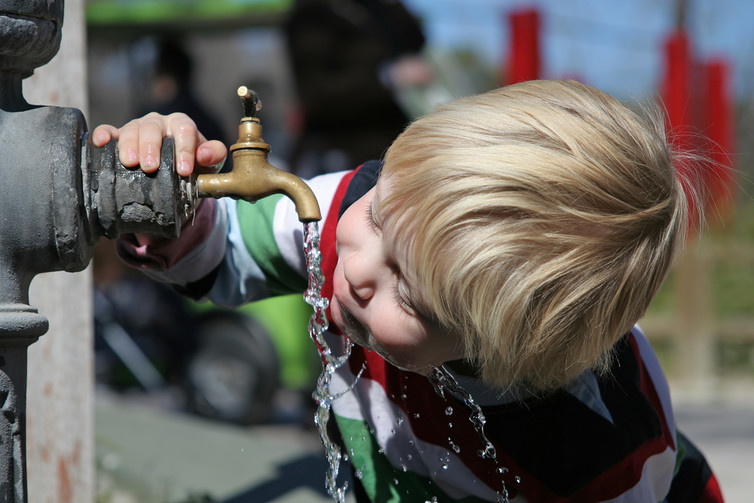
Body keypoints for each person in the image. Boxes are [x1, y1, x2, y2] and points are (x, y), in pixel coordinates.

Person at [92, 80, 723, 502]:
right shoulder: (356, 207)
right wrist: (172, 203)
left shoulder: (600, 459)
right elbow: (224, 246)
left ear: (504, 349)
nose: (361, 269)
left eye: (413, 299)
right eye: (378, 216)